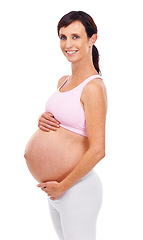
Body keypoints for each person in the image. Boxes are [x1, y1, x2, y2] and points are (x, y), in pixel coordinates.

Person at [36, 11, 107, 240]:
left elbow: (98, 150)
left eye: (75, 37)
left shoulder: (93, 88)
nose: (68, 44)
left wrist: (63, 186)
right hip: (58, 191)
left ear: (92, 39)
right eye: (63, 37)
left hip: (77, 189)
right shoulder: (63, 82)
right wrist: (42, 120)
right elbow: (65, 126)